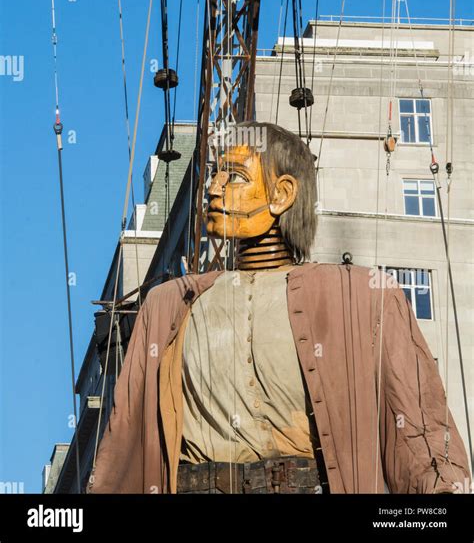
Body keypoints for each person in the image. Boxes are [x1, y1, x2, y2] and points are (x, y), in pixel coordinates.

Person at [88, 122, 470, 494]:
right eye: (213, 176)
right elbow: (124, 442)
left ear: (282, 194)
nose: (213, 189)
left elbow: (422, 434)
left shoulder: (365, 295)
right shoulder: (168, 304)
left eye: (233, 176)